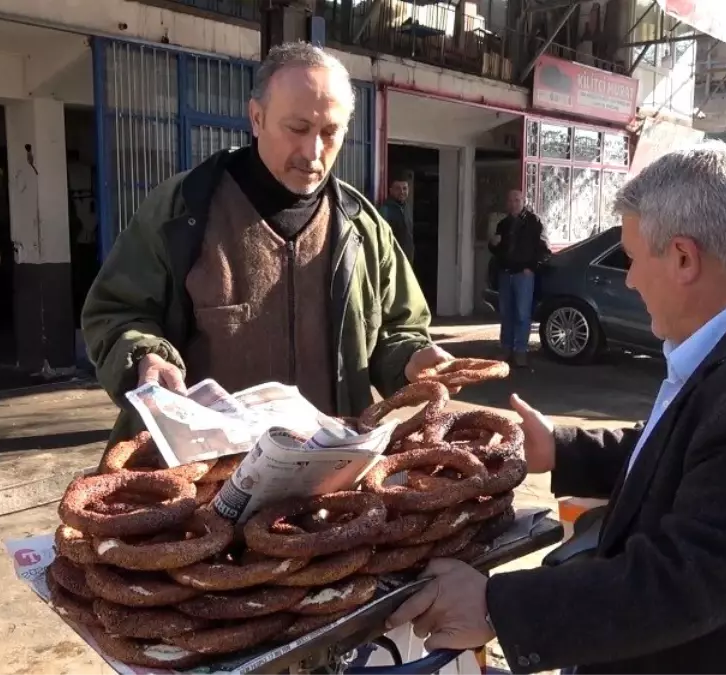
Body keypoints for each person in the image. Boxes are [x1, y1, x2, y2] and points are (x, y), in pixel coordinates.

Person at [386, 142, 726, 675]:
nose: (629, 280)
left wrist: (496, 606)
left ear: (684, 258)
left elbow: (682, 583)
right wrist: (563, 449)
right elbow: (688, 453)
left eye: (634, 259)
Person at [81, 41, 454, 448]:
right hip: (205, 475)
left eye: (330, 133)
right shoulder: (182, 211)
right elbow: (118, 312)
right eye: (297, 129)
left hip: (330, 472)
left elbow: (399, 328)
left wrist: (412, 359)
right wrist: (144, 357)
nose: (313, 153)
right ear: (256, 117)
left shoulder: (363, 227)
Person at [488, 189, 550, 367]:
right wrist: (493, 245)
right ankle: (506, 348)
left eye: (517, 200)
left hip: (523, 275)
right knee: (506, 313)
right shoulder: (503, 224)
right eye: (510, 200)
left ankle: (520, 351)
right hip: (505, 273)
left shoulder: (534, 222)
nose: (514, 203)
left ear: (523, 201)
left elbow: (544, 248)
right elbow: (496, 250)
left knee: (522, 314)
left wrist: (531, 267)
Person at [379, 177, 414, 263]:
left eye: (404, 188)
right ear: (391, 190)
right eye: (398, 188)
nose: (402, 192)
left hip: (407, 258)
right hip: (394, 259)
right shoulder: (385, 209)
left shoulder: (407, 207)